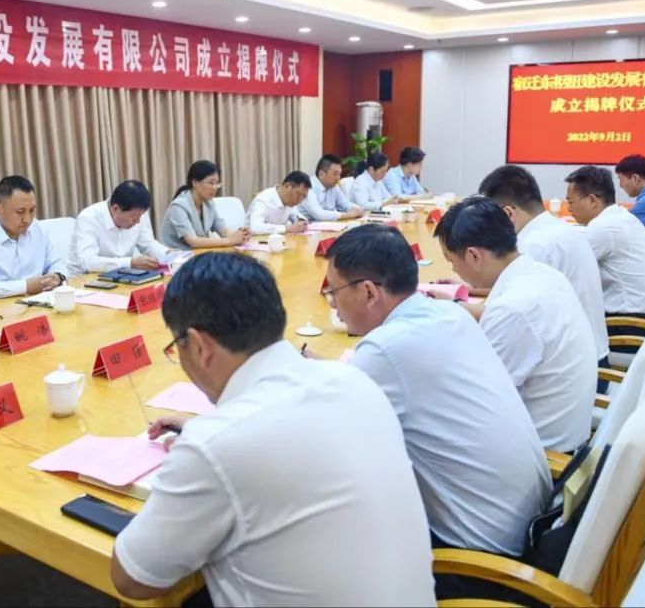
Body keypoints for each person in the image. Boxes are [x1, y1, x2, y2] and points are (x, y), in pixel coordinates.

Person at [110, 252, 435, 606]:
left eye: (178, 348)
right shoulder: (354, 381)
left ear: (199, 346)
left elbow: (133, 580)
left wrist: (196, 460)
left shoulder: (214, 446)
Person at [324, 224, 550, 566]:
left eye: (334, 291)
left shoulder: (386, 349)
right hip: (527, 524)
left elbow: (332, 444)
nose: (333, 304)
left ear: (369, 292)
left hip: (477, 562)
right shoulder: (449, 313)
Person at [434, 197, 597, 453]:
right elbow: (499, 318)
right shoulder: (541, 275)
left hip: (542, 454)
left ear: (474, 256)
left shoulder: (514, 310)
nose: (453, 269)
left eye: (451, 260)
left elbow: (474, 404)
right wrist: (454, 305)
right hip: (564, 432)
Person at [479, 164, 609, 366]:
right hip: (588, 353)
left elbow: (508, 314)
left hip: (575, 365)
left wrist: (457, 305)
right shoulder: (556, 229)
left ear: (508, 213)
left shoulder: (536, 245)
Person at [565, 166, 645, 316]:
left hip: (630, 321)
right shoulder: (620, 217)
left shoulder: (605, 227)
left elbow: (567, 267)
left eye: (570, 202)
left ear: (592, 200)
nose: (569, 209)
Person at [0, 175, 66, 299]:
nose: (27, 219)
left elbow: (56, 263)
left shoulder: (38, 228)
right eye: (20, 212)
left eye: (32, 210)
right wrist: (25, 286)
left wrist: (57, 276)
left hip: (41, 302)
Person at [67, 180, 170, 276]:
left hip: (123, 277)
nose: (138, 222)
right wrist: (130, 263)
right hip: (83, 279)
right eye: (134, 218)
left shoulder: (138, 213)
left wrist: (169, 254)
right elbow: (88, 262)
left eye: (140, 216)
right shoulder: (89, 218)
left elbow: (148, 245)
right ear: (115, 208)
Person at [160, 160, 250, 249]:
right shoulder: (178, 206)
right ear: (195, 182)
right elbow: (193, 241)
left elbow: (223, 230)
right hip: (177, 255)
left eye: (217, 183)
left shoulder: (209, 203)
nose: (215, 188)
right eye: (211, 183)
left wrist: (240, 235)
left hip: (198, 253)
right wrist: (230, 240)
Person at [297, 154, 364, 221]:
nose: (338, 178)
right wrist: (348, 215)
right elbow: (319, 214)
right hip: (310, 225)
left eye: (339, 174)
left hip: (330, 224)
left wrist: (357, 209)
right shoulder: (308, 187)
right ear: (321, 174)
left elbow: (345, 203)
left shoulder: (334, 186)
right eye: (335, 174)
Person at [246, 170, 311, 235]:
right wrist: (287, 229)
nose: (300, 200)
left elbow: (296, 215)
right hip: (255, 239)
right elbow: (255, 227)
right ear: (288, 187)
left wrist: (301, 221)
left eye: (304, 197)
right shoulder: (263, 200)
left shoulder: (289, 202)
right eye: (299, 194)